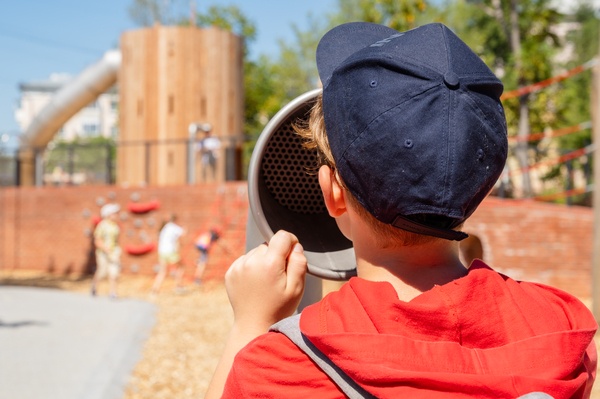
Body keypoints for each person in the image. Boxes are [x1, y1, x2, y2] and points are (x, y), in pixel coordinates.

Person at [205, 22, 597, 398]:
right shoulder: (562, 330)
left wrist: (250, 323)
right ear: (480, 183)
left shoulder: (284, 369)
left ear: (331, 192)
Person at [151, 213, 186, 295]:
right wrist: (184, 228)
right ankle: (178, 286)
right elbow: (183, 232)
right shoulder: (173, 227)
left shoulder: (164, 228)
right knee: (181, 267)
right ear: (175, 220)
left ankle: (154, 289)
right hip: (170, 252)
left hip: (162, 252)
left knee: (162, 272)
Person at [91, 203, 121, 298]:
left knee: (114, 272)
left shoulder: (115, 226)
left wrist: (117, 250)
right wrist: (104, 248)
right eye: (114, 213)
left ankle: (113, 292)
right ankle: (94, 286)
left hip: (113, 252)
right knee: (102, 272)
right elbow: (97, 240)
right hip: (103, 253)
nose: (116, 215)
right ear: (108, 214)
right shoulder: (102, 225)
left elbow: (116, 240)